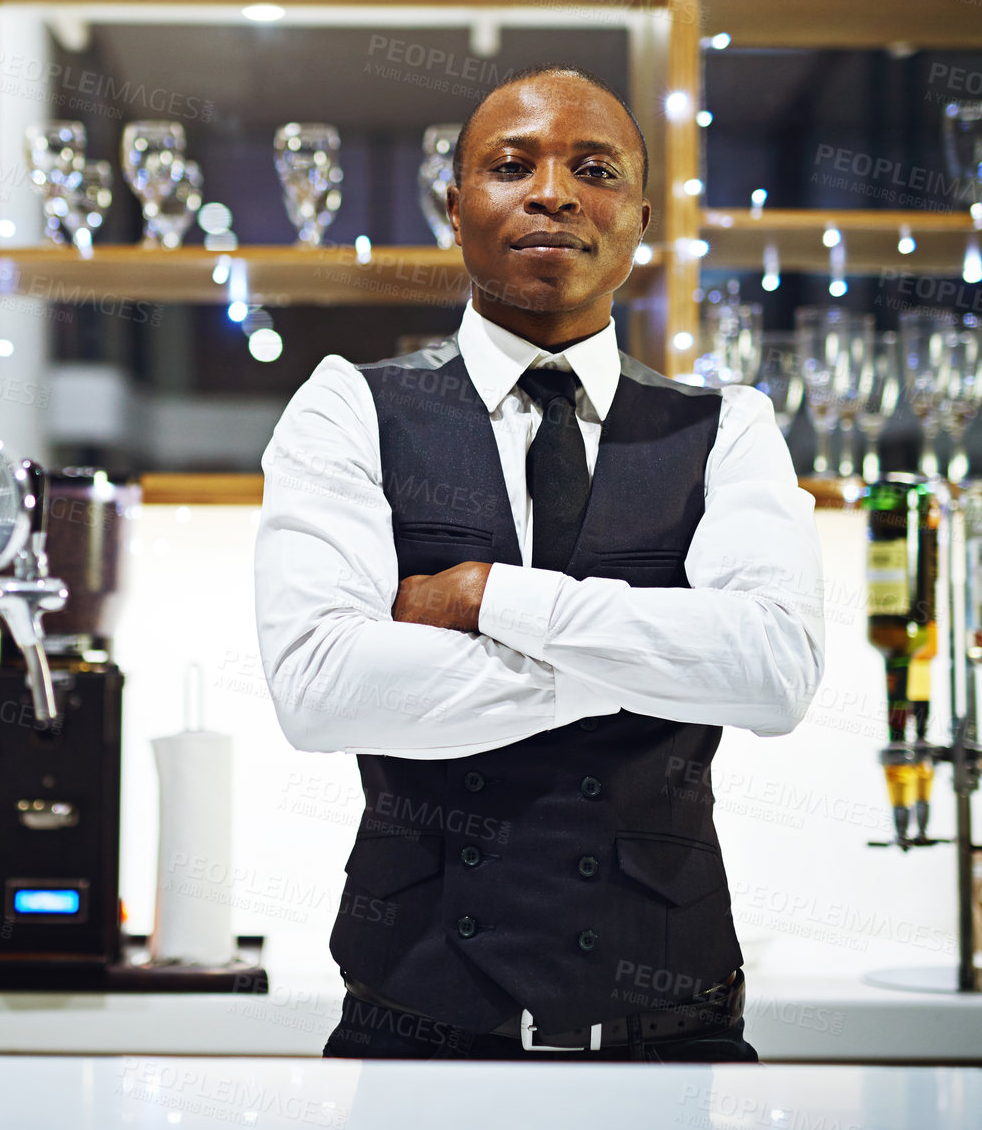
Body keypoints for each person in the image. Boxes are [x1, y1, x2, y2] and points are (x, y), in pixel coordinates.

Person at [253, 63, 826, 1062]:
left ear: (640, 216)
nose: (555, 191)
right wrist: (660, 659)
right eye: (511, 164)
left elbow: (774, 675)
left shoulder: (728, 425)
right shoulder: (350, 404)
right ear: (455, 205)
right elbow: (319, 688)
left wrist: (489, 595)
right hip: (416, 1033)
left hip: (670, 1035)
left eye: (594, 168)